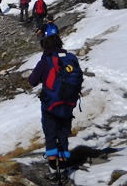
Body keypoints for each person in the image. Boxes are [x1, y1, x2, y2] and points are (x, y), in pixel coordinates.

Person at [28, 28, 74, 179]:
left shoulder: (45, 61)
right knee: (63, 132)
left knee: (50, 132)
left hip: (50, 102)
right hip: (68, 102)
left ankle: (54, 170)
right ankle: (65, 166)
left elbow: (32, 81)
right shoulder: (69, 59)